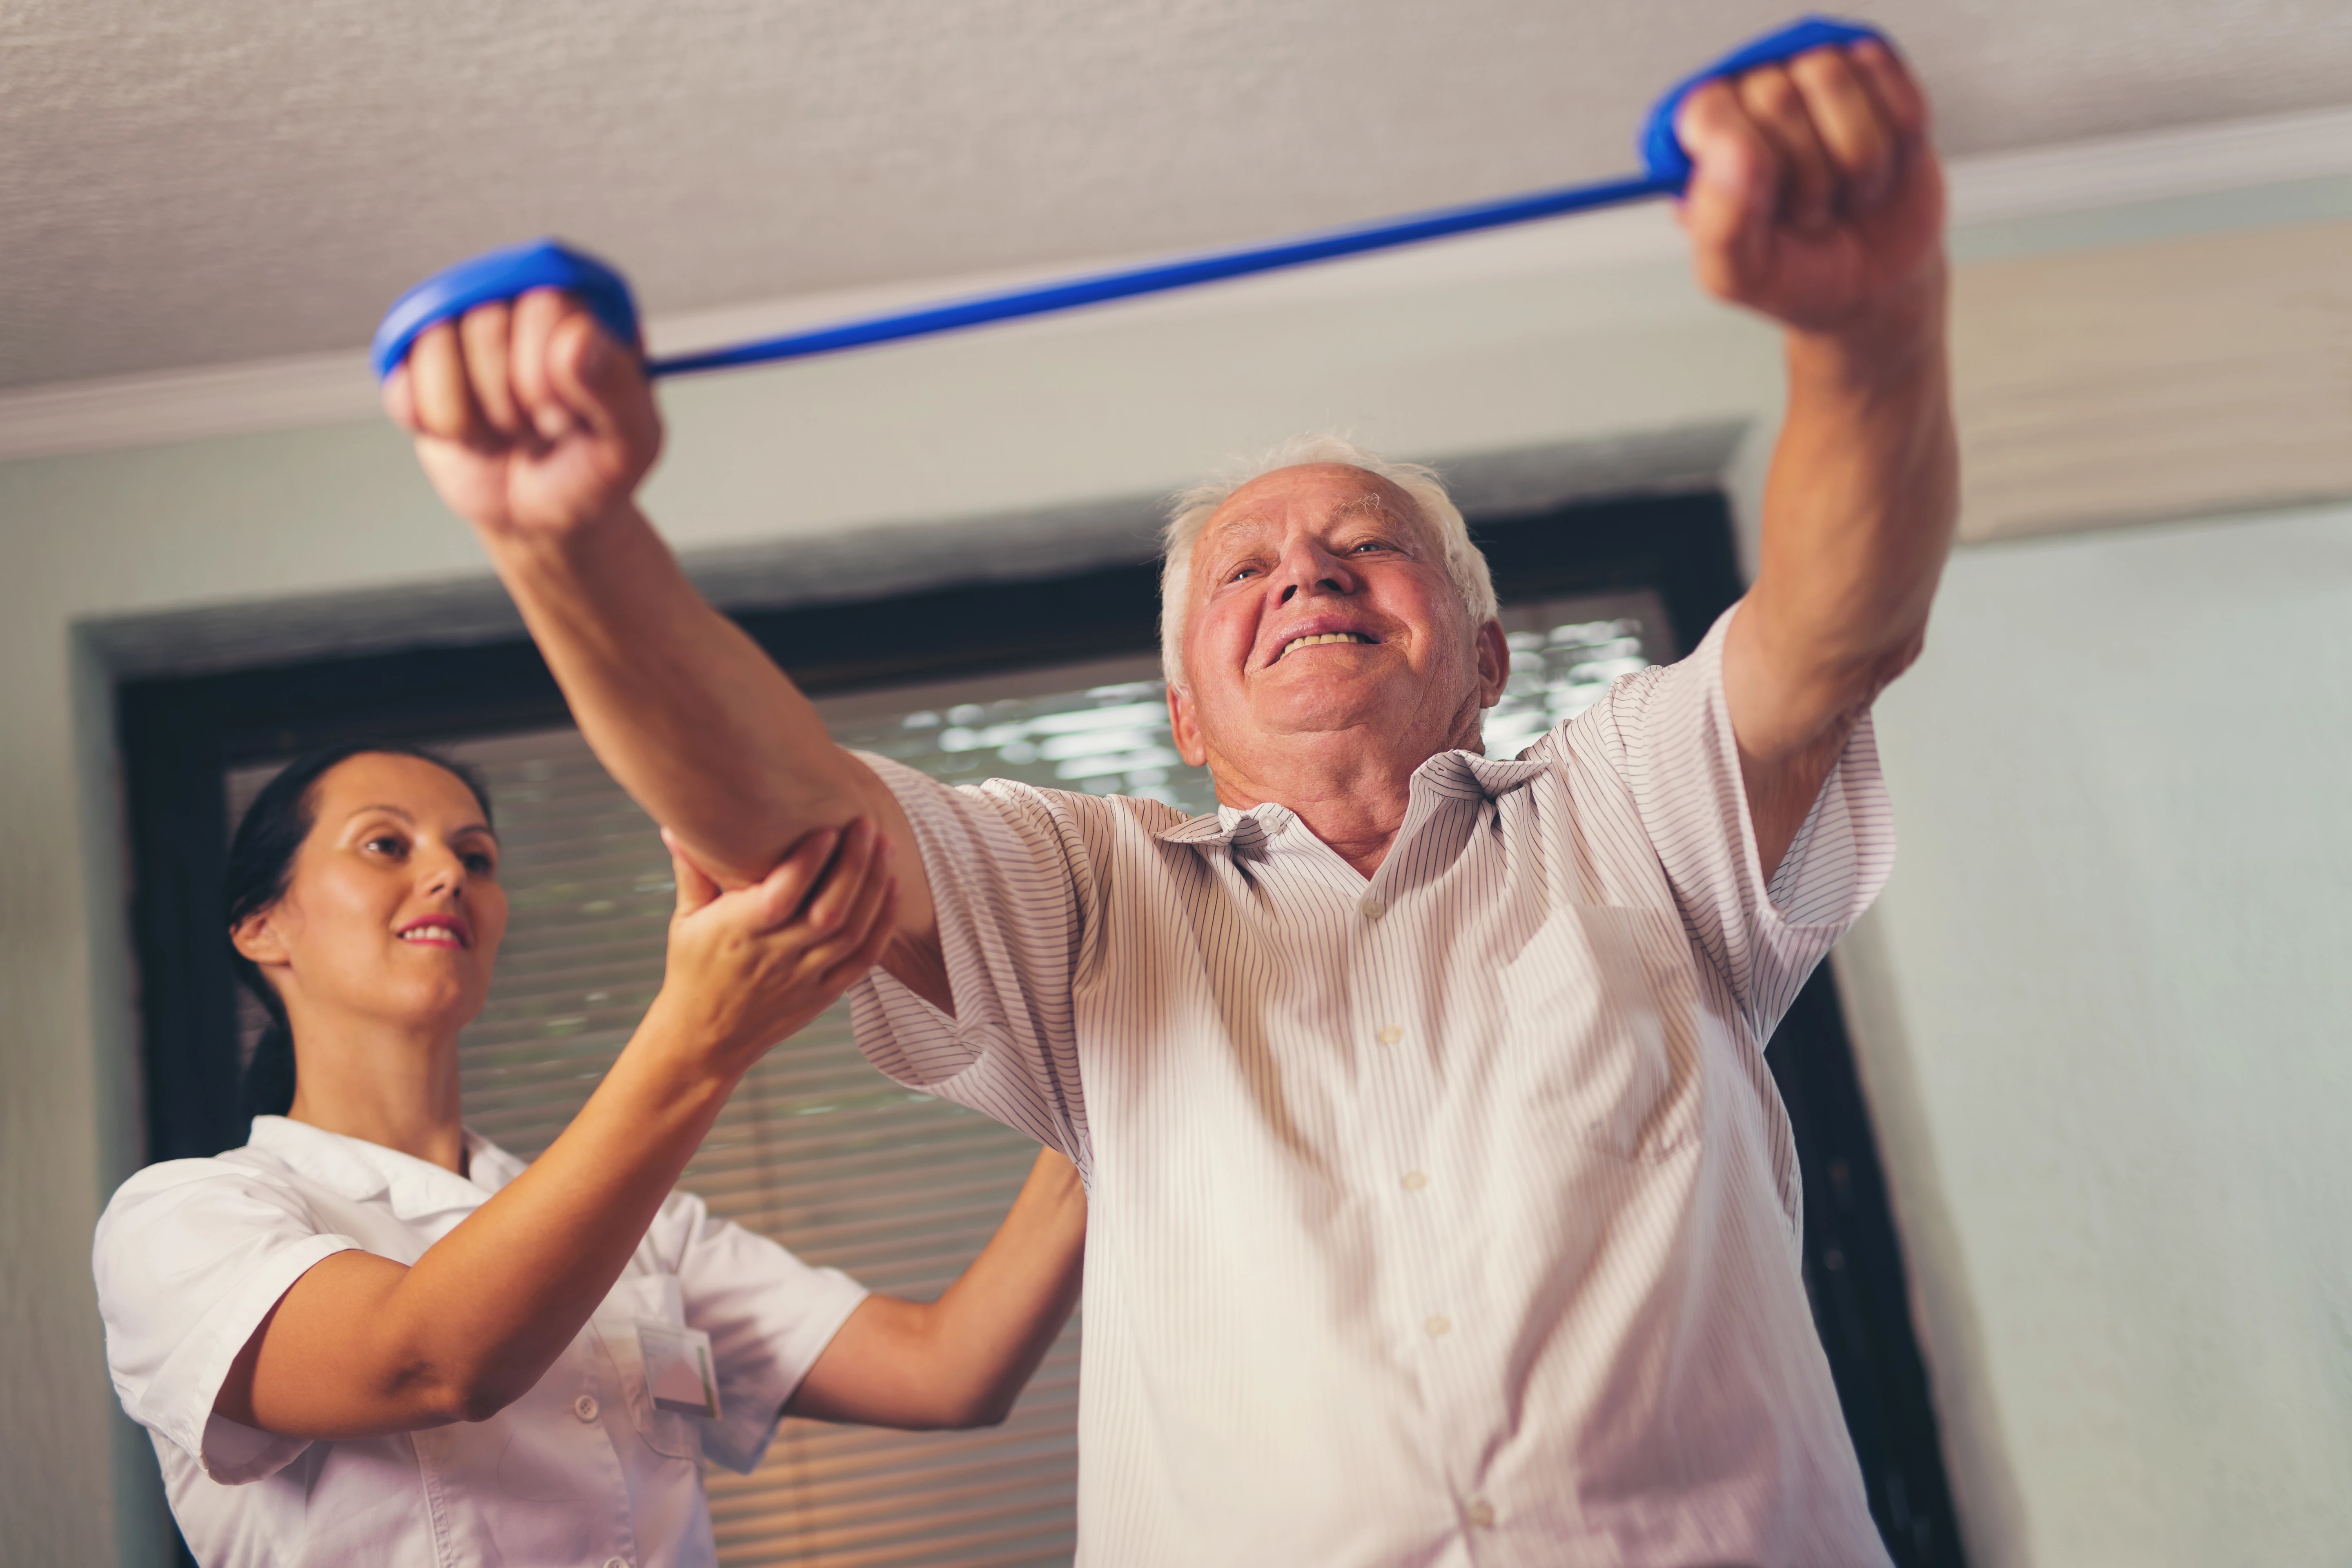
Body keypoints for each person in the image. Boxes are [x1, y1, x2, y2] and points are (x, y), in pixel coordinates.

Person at [381, 30, 1954, 1567]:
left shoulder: (1633, 809)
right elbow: (794, 832)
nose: (1310, 574)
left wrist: (1869, 329)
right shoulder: (1088, 892)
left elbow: (1836, 631)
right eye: (1246, 572)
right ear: (1187, 717)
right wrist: (568, 549)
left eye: (1365, 545)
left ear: (1484, 656)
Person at [93, 742, 1087, 1568]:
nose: (447, 874)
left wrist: (1115, 1073)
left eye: (476, 858)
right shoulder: (180, 1221)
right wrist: (698, 1038)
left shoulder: (645, 1233)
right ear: (262, 927)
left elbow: (950, 1370)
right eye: (386, 845)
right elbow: (429, 1362)